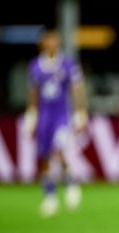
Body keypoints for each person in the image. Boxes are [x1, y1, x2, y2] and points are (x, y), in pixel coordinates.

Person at [23, 29, 88, 217]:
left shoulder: (67, 64)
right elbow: (34, 93)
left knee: (58, 150)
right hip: (45, 116)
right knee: (44, 157)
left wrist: (81, 112)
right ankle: (50, 197)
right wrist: (31, 115)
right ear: (42, 43)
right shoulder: (36, 66)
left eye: (54, 40)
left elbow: (78, 89)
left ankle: (71, 183)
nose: (52, 43)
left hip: (62, 116)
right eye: (48, 40)